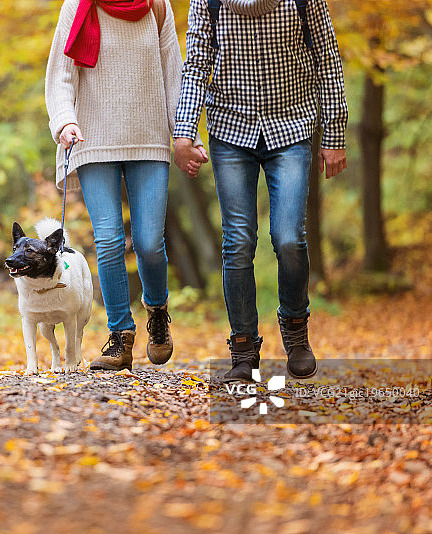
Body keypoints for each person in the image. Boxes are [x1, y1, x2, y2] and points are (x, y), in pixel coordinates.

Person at [173, 0, 348, 381]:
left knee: (288, 237)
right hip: (231, 129)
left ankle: (296, 330)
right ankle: (243, 346)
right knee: (237, 241)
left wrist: (334, 134)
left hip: (293, 125)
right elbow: (197, 62)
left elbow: (328, 59)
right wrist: (184, 131)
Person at [45, 0, 207, 371]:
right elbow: (61, 73)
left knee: (150, 243)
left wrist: (185, 135)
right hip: (92, 139)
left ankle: (158, 313)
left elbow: (173, 74)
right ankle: (120, 335)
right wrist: (64, 120)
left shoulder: (157, 7)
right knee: (109, 239)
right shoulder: (79, 5)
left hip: (148, 140)